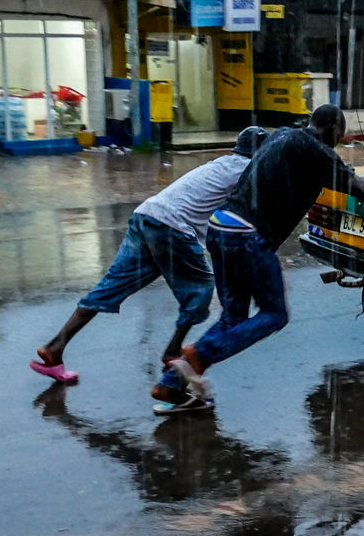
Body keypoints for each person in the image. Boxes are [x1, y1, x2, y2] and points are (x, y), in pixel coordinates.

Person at [151, 104, 364, 413]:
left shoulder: (283, 137)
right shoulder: (318, 151)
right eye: (340, 136)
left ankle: (172, 383)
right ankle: (193, 359)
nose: (339, 142)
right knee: (275, 315)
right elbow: (362, 191)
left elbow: (338, 182)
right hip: (248, 237)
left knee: (233, 319)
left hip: (221, 226)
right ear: (331, 128)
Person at [31, 126, 268, 384]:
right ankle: (172, 352)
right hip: (172, 227)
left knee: (110, 287)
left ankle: (54, 347)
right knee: (200, 291)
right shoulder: (247, 171)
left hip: (147, 214)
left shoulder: (222, 162)